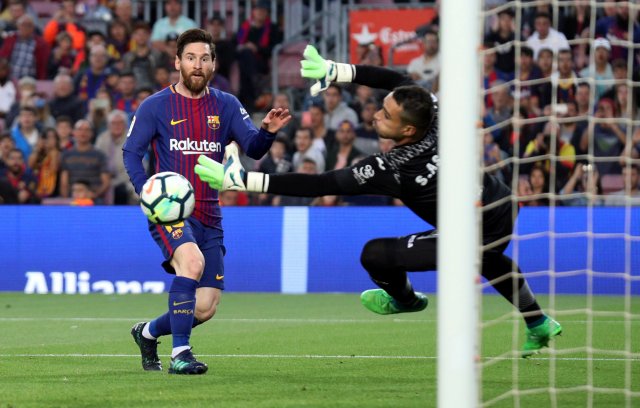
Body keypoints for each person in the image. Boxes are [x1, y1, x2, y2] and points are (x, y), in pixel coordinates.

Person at [195, 45, 562, 357]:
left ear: (406, 131)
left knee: (376, 255)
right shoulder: (428, 110)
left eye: (385, 116)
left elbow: (320, 182)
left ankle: (404, 300)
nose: (375, 114)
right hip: (500, 201)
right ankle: (538, 322)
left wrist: (244, 179)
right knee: (490, 257)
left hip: (475, 224)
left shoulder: (392, 167)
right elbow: (393, 80)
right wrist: (335, 70)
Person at [122, 28, 291, 375]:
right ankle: (180, 354)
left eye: (204, 58)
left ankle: (148, 332)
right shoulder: (155, 105)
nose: (197, 65)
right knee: (192, 265)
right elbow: (131, 152)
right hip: (171, 212)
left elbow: (254, 148)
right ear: (177, 62)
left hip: (210, 214)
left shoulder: (226, 105)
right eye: (190, 58)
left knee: (205, 307)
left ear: (213, 64)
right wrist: (148, 192)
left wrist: (268, 131)